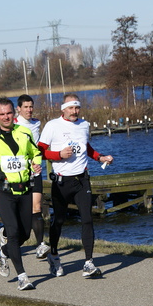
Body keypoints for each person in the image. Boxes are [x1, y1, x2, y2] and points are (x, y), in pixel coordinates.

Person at [38, 93, 113, 278]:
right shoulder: (52, 126)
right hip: (62, 182)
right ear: (63, 109)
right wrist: (58, 155)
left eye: (77, 107)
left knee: (87, 219)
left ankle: (88, 262)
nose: (74, 111)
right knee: (60, 220)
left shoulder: (84, 125)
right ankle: (54, 256)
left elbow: (85, 146)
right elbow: (39, 151)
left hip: (82, 180)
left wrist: (99, 157)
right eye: (71, 108)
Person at [0, 97, 42, 291]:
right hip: (3, 191)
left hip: (25, 189)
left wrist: (36, 163)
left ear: (14, 113)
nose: (6, 117)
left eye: (9, 113)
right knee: (12, 231)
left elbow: (35, 153)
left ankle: (2, 252)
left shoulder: (24, 133)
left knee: (25, 234)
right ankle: (22, 277)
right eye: (2, 114)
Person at [0, 94, 51, 260]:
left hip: (34, 172)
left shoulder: (36, 123)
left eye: (31, 106)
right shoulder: (13, 124)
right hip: (16, 175)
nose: (29, 110)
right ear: (18, 109)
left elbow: (39, 148)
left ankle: (40, 245)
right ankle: (6, 233)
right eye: (26, 107)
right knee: (17, 215)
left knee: (37, 207)